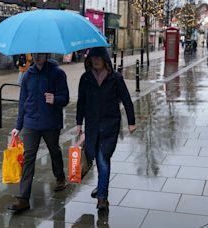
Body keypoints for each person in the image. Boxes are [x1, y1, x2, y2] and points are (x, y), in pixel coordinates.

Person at [76, 47, 136, 210]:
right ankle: (101, 186)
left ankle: (102, 197)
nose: (95, 60)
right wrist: (78, 123)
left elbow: (126, 99)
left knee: (103, 158)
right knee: (92, 155)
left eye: (98, 57)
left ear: (104, 59)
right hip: (92, 125)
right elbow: (81, 101)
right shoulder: (86, 78)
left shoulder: (115, 78)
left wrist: (131, 121)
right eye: (92, 58)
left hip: (110, 125)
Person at [8, 53, 70, 212]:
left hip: (50, 122)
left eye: (40, 54)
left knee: (54, 150)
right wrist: (18, 126)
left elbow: (66, 98)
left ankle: (60, 177)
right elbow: (23, 101)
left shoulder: (57, 73)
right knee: (28, 157)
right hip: (31, 123)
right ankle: (23, 198)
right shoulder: (28, 74)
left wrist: (55, 99)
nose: (36, 57)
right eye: (34, 54)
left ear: (46, 54)